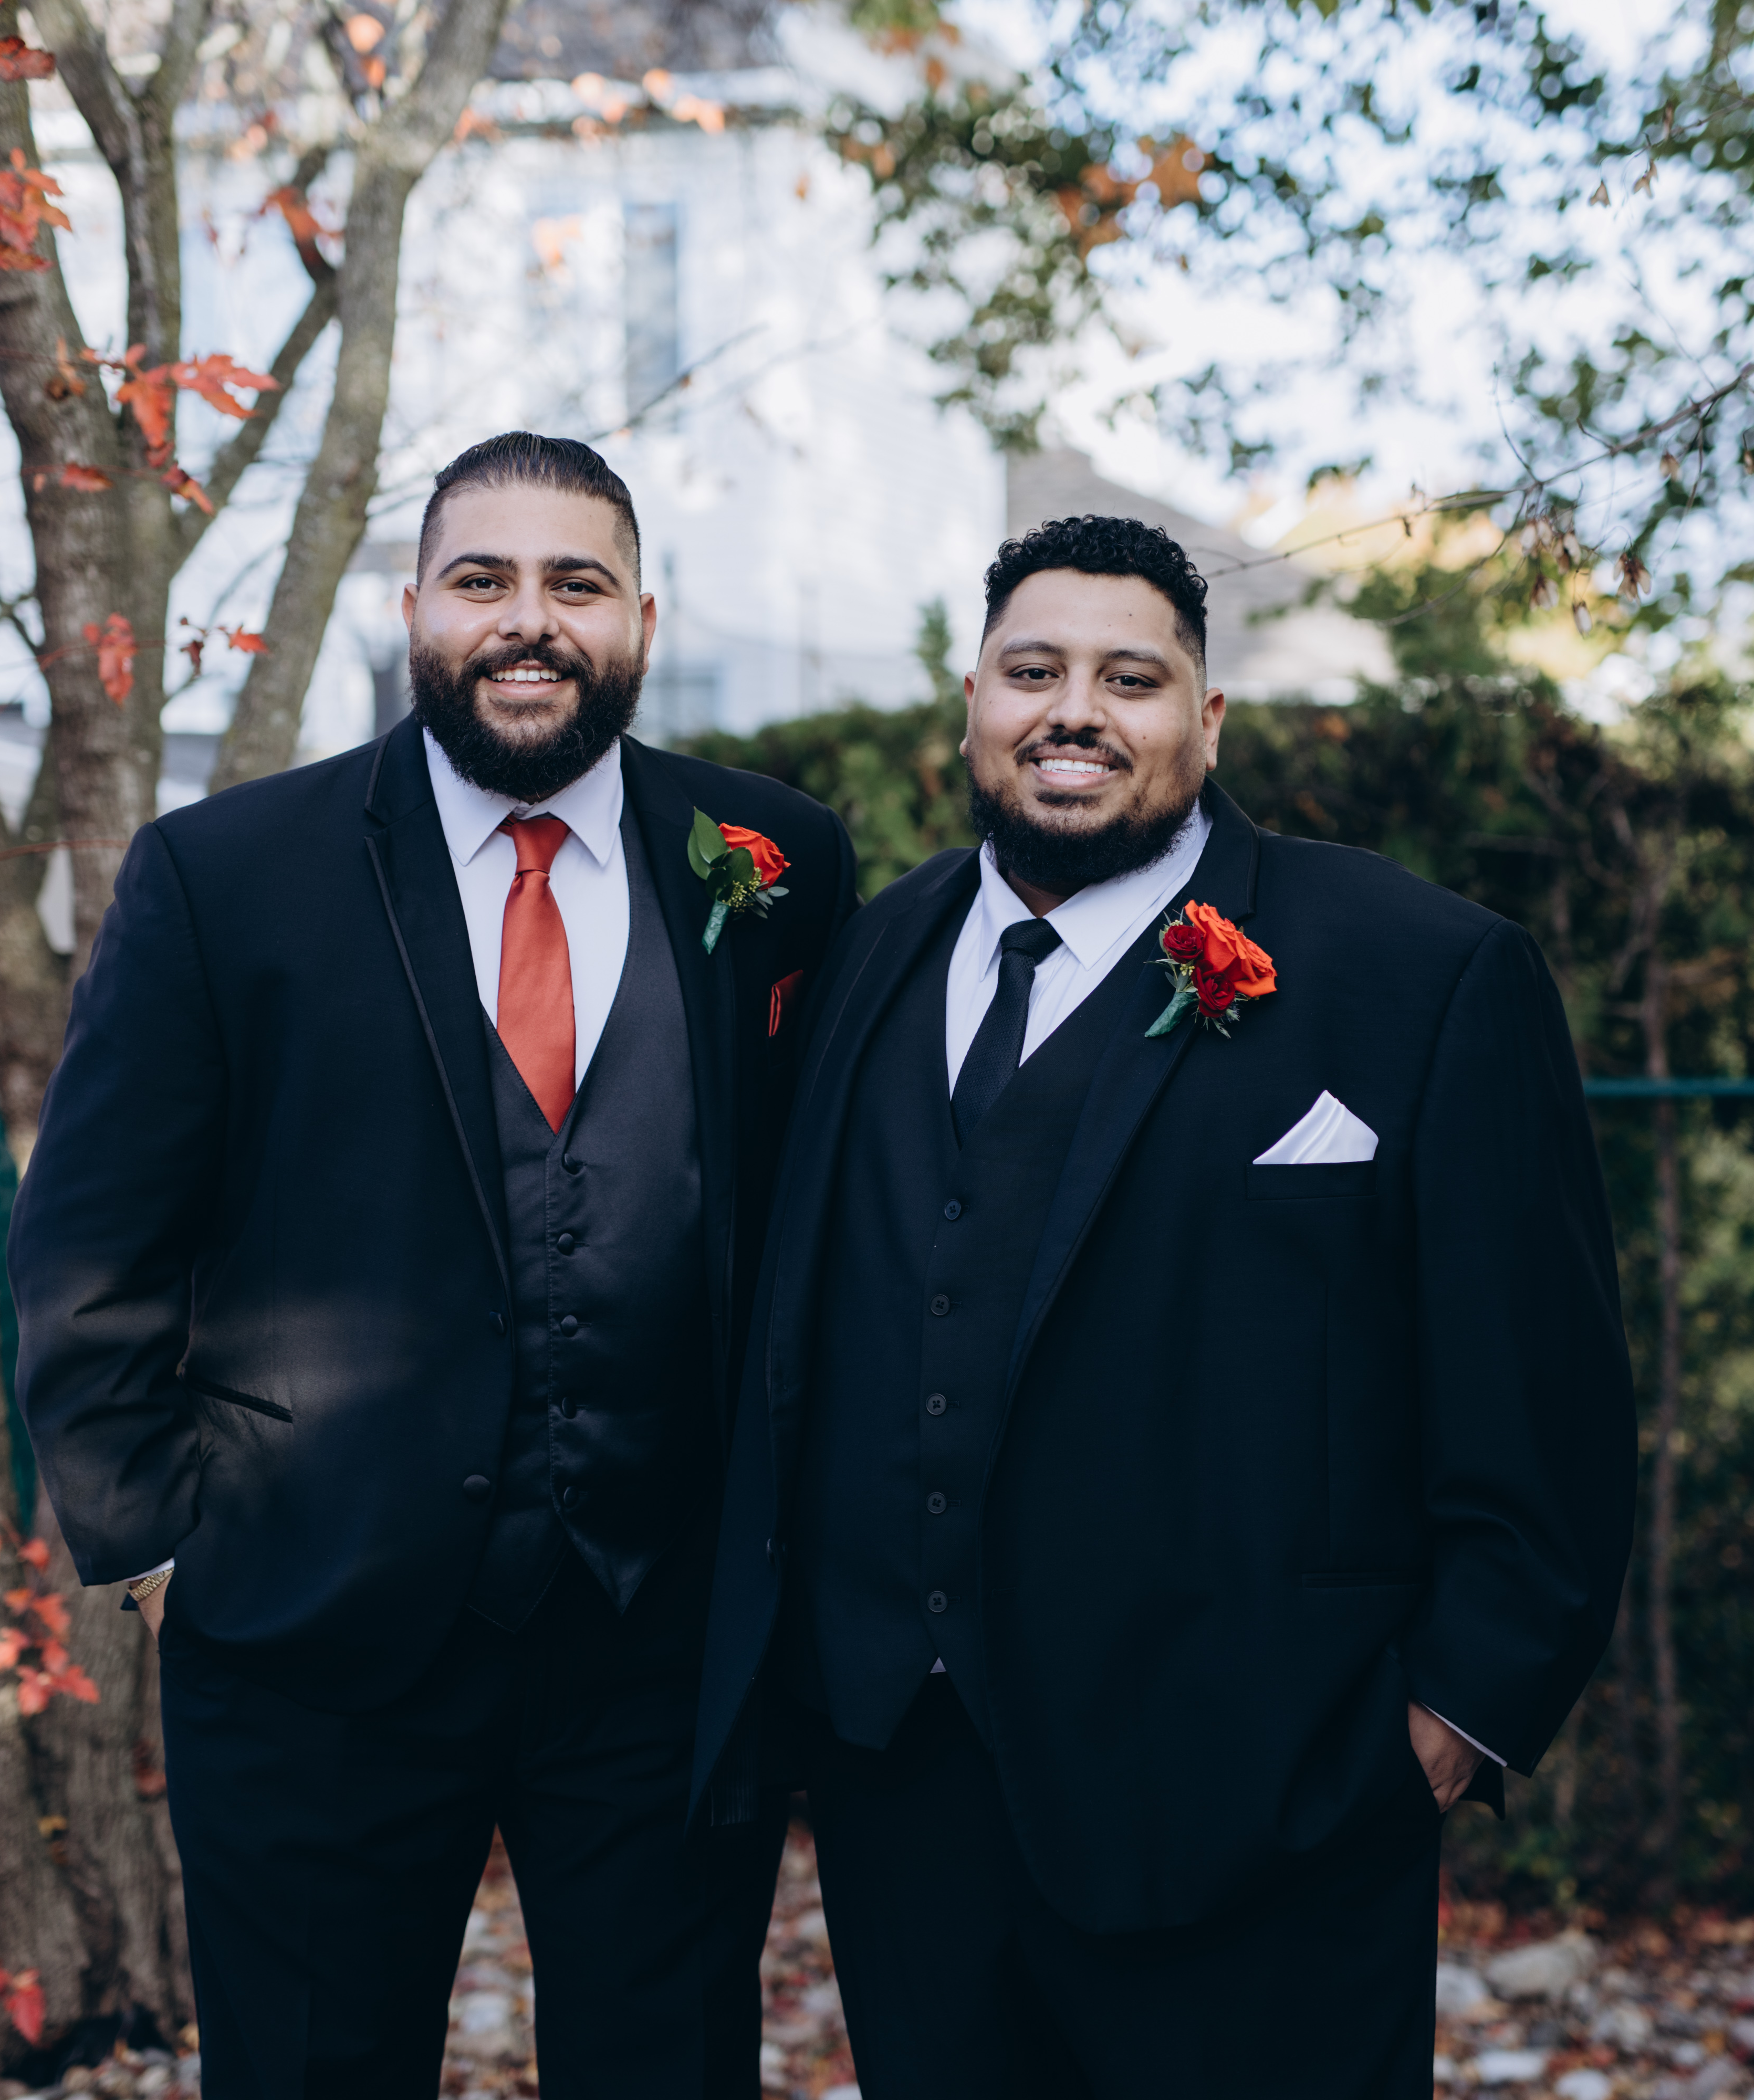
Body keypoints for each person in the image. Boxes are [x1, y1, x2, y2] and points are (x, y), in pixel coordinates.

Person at [694, 514, 1634, 2096]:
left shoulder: (1420, 972)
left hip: (1264, 1802)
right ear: (973, 705)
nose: (1075, 711)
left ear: (1207, 720)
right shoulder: (871, 955)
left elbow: (1544, 1393)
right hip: (904, 1795)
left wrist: (1451, 1720)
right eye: (1033, 672)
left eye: (1130, 679)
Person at [11, 432, 856, 2097]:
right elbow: (89, 1237)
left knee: (671, 2070)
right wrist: (162, 1546)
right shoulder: (227, 874)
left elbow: (815, 1208)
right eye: (484, 580)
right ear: (414, 611)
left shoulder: (777, 862)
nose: (528, 620)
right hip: (310, 1630)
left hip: (662, 1635)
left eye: (575, 584)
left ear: (641, 622)